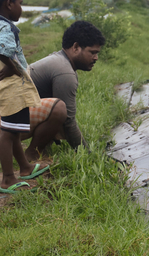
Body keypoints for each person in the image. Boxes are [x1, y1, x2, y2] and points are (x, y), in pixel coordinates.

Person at [27, 21, 105, 155]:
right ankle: (34, 153)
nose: (96, 58)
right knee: (59, 111)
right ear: (75, 47)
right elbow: (68, 121)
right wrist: (87, 154)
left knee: (55, 108)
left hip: (10, 113)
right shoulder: (65, 72)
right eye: (92, 52)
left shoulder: (59, 61)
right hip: (6, 119)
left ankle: (43, 149)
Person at [0, 0, 49, 193]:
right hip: (13, 87)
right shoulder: (5, 25)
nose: (21, 7)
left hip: (12, 86)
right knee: (7, 132)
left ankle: (25, 167)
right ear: (9, 4)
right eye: (20, 3)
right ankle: (8, 178)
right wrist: (12, 67)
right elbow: (3, 49)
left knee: (14, 130)